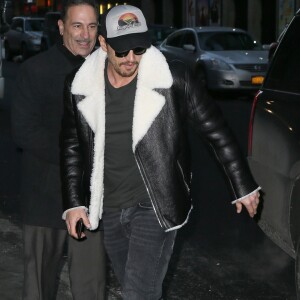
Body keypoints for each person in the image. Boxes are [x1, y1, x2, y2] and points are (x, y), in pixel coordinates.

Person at [61, 4, 260, 300]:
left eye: (139, 49)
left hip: (156, 203)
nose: (131, 59)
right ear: (103, 44)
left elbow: (215, 130)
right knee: (135, 287)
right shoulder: (80, 84)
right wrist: (74, 203)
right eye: (122, 51)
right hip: (110, 205)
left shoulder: (172, 78)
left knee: (138, 293)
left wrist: (243, 186)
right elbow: (72, 144)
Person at [11, 1, 106, 299]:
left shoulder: (107, 71)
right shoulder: (35, 70)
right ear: (62, 27)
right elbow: (24, 132)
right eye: (77, 26)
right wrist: (78, 160)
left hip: (92, 201)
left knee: (91, 286)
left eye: (91, 26)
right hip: (43, 198)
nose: (84, 35)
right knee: (38, 286)